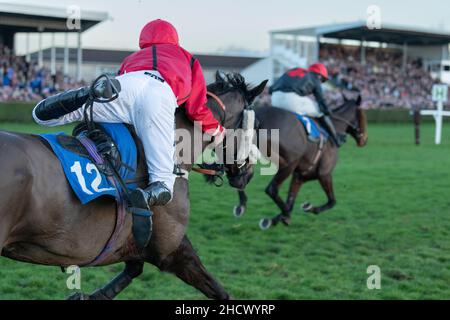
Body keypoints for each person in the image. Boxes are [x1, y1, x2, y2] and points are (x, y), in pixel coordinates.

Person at [32, 19, 225, 215]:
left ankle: (62, 105)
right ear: (174, 38)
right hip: (160, 95)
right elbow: (196, 108)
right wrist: (217, 131)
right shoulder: (188, 58)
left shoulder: (133, 57)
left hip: (126, 84)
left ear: (144, 39)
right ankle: (145, 197)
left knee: (58, 114)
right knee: (165, 180)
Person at [269, 63, 344, 147]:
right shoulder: (315, 78)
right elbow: (321, 101)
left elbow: (270, 89)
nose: (321, 82)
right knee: (321, 111)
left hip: (274, 98)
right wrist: (327, 111)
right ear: (319, 75)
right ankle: (336, 139)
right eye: (322, 80)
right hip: (291, 100)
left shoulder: (295, 70)